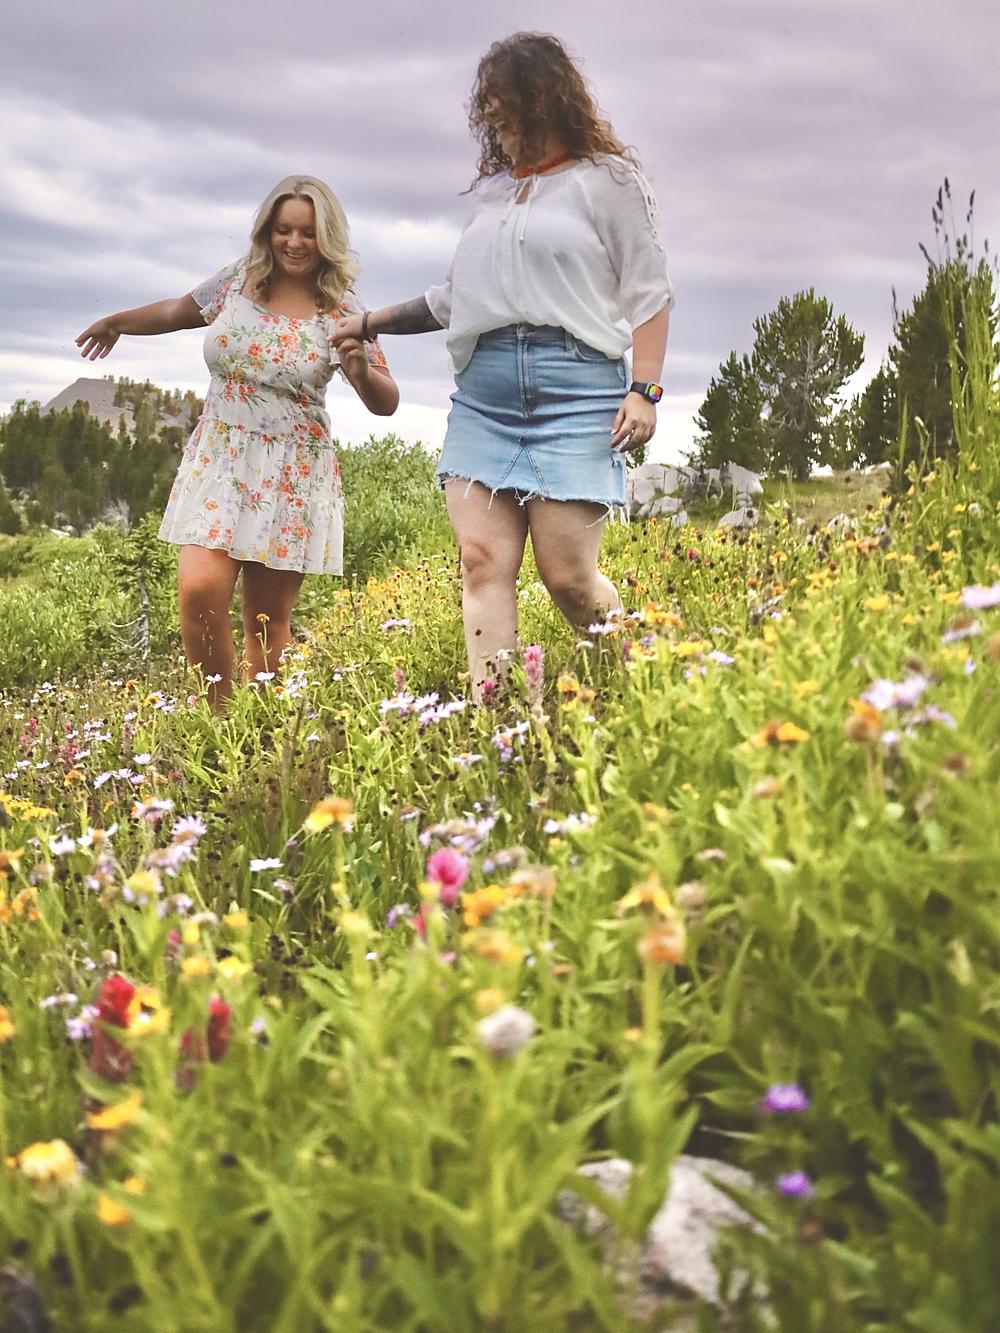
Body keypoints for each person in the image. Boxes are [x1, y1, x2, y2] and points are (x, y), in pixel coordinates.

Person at [330, 32, 673, 700]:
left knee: (568, 578)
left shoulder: (608, 182)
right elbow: (454, 299)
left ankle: (646, 683)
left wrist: (645, 390)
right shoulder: (492, 193)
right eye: (487, 110)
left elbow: (650, 292)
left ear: (542, 101)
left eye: (503, 106)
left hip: (576, 388)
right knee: (481, 561)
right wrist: (369, 322)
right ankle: (503, 726)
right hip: (484, 395)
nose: (492, 120)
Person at [76, 175, 398, 707]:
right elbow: (177, 311)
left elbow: (386, 400)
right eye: (283, 230)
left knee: (265, 621)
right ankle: (219, 720)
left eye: (308, 233)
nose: (294, 242)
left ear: (328, 238)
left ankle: (262, 731)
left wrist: (361, 371)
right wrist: (117, 322)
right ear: (267, 230)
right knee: (198, 591)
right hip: (221, 457)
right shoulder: (239, 280)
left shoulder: (343, 308)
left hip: (292, 471)